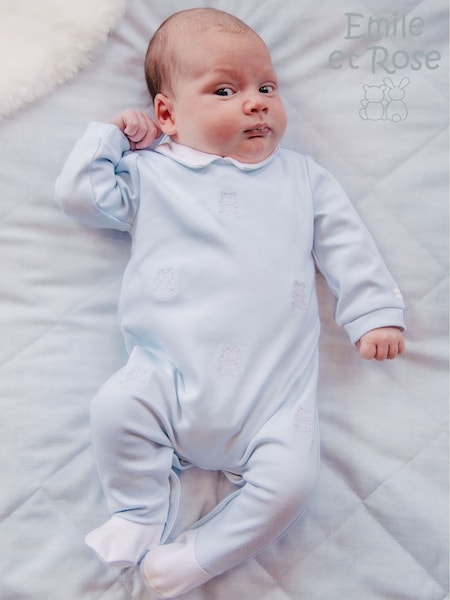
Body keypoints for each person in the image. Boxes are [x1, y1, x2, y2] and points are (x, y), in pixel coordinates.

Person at [55, 7, 405, 599]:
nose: (257, 103)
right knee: (114, 411)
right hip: (164, 378)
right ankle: (139, 511)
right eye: (225, 90)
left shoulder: (303, 178)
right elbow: (80, 196)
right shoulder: (151, 174)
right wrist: (113, 137)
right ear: (168, 114)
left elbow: (348, 244)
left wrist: (373, 313)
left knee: (292, 486)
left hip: (272, 399)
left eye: (267, 87)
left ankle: (200, 556)